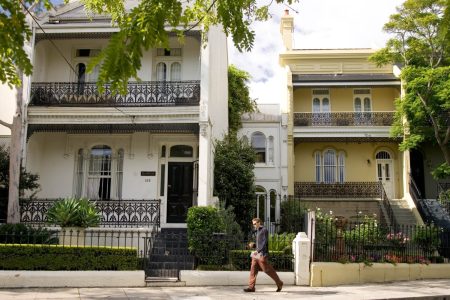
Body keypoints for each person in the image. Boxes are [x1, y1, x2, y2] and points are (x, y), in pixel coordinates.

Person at [243, 218, 283, 293]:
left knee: (267, 270)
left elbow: (264, 243)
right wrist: (253, 245)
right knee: (253, 270)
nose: (254, 225)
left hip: (262, 254)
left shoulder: (264, 230)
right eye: (253, 224)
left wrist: (257, 250)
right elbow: (259, 244)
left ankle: (279, 283)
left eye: (255, 224)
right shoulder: (257, 231)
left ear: (259, 222)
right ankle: (251, 287)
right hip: (256, 255)